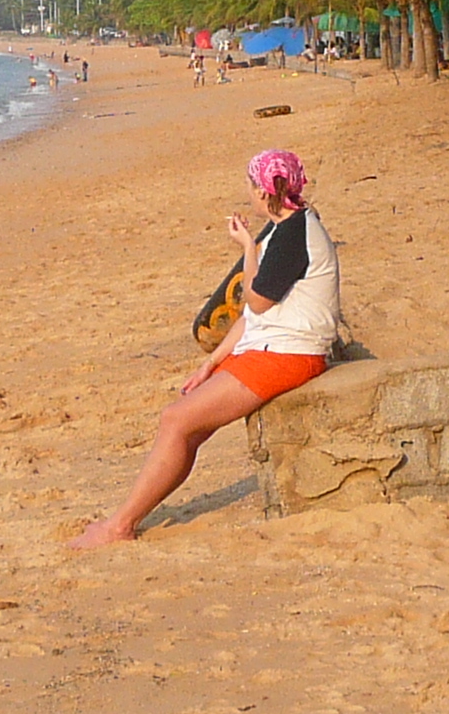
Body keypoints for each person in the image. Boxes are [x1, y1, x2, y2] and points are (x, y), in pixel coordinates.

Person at [77, 150, 339, 548]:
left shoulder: (293, 234)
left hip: (290, 353)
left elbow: (256, 303)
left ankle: (120, 526)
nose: (249, 194)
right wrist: (212, 364)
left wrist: (247, 249)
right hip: (270, 344)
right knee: (187, 428)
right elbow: (252, 320)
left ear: (264, 190)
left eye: (252, 186)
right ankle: (128, 517)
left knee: (175, 421)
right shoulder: (285, 225)